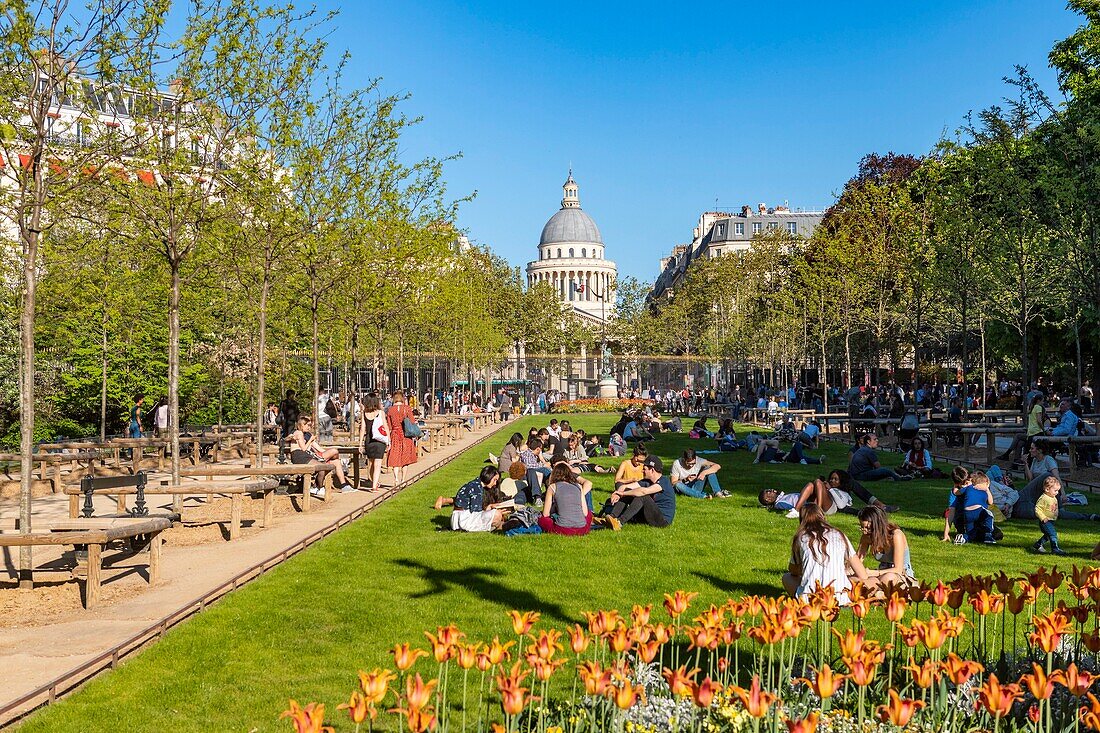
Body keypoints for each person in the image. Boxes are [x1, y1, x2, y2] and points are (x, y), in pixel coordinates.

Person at [781, 503, 870, 605]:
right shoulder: (839, 534)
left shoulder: (801, 538)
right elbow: (862, 574)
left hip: (810, 599)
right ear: (822, 516)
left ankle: (805, 598)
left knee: (787, 577)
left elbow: (793, 570)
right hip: (841, 597)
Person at [596, 455, 675, 529]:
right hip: (648, 515)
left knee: (642, 496)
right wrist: (618, 493)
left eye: (644, 469)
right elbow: (625, 487)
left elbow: (644, 492)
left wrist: (623, 494)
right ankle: (611, 517)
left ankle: (619, 522)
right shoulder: (647, 481)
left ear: (652, 470)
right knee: (629, 491)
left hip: (662, 521)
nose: (642, 471)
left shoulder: (664, 481)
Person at [287, 416, 353, 495]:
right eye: (308, 425)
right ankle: (319, 487)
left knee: (335, 461)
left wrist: (324, 454)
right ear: (302, 425)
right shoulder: (298, 433)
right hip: (300, 456)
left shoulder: (307, 434)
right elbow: (303, 448)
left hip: (309, 455)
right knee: (323, 466)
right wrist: (310, 440)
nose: (309, 427)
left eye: (310, 425)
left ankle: (342, 485)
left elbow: (317, 448)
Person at [855, 506, 914, 587]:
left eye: (868, 528)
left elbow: (898, 569)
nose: (865, 532)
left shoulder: (896, 535)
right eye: (862, 527)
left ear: (878, 525)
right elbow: (857, 562)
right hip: (881, 573)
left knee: (887, 578)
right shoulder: (867, 537)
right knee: (855, 580)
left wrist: (873, 573)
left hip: (901, 575)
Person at [435, 466, 508, 532]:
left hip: (458, 518)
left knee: (496, 516)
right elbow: (476, 513)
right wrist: (493, 510)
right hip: (464, 520)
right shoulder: (476, 489)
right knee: (497, 514)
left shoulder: (475, 484)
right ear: (489, 476)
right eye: (494, 480)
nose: (495, 483)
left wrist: (490, 507)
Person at [943, 466, 995, 545]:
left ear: (971, 479)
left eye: (967, 482)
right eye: (963, 484)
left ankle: (964, 537)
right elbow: (951, 514)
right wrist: (946, 533)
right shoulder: (963, 490)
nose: (965, 486)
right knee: (984, 529)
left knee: (976, 535)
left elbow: (989, 501)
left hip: (974, 518)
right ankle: (984, 534)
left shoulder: (975, 486)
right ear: (956, 484)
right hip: (964, 519)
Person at [538, 463, 593, 535]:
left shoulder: (552, 487)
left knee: (542, 519)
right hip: (582, 529)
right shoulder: (578, 486)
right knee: (589, 513)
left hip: (562, 529)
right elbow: (585, 513)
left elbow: (545, 514)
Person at [758, 476, 852, 518]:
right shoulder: (780, 503)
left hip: (827, 504)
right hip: (822, 506)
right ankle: (804, 510)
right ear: (768, 499)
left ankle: (816, 510)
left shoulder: (783, 497)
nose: (771, 490)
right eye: (768, 492)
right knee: (816, 482)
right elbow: (784, 506)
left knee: (813, 484)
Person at [386, 389, 418, 486]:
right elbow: (412, 421)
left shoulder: (390, 410)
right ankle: (403, 480)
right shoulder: (407, 408)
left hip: (395, 434)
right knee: (405, 458)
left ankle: (395, 478)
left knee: (395, 456)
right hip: (406, 435)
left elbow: (389, 425)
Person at [357, 394, 389, 490]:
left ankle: (373, 482)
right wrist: (389, 440)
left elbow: (362, 429)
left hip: (369, 441)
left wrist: (360, 444)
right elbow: (385, 426)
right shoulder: (381, 412)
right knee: (378, 464)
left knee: (371, 463)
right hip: (379, 440)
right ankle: (374, 485)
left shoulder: (364, 413)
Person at [1034, 475, 1067, 556]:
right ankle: (1055, 549)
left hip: (1051, 520)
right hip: (1045, 521)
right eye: (1055, 490)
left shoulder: (1053, 497)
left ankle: (1038, 544)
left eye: (1058, 491)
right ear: (1047, 489)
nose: (1057, 493)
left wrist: (1056, 515)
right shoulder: (1043, 498)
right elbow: (1037, 509)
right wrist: (1043, 517)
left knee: (1048, 535)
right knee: (1052, 534)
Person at [517, 437, 551, 505]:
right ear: (538, 449)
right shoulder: (527, 454)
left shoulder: (533, 455)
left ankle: (549, 494)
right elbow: (529, 466)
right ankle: (538, 497)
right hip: (526, 475)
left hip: (531, 474)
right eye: (540, 449)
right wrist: (543, 465)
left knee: (547, 472)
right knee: (543, 470)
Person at [278, 390, 300, 462]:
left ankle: (283, 450)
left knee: (286, 435)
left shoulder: (283, 402)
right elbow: (297, 413)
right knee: (289, 436)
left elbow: (279, 412)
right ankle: (287, 452)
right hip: (291, 421)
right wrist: (298, 422)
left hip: (285, 421)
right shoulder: (294, 403)